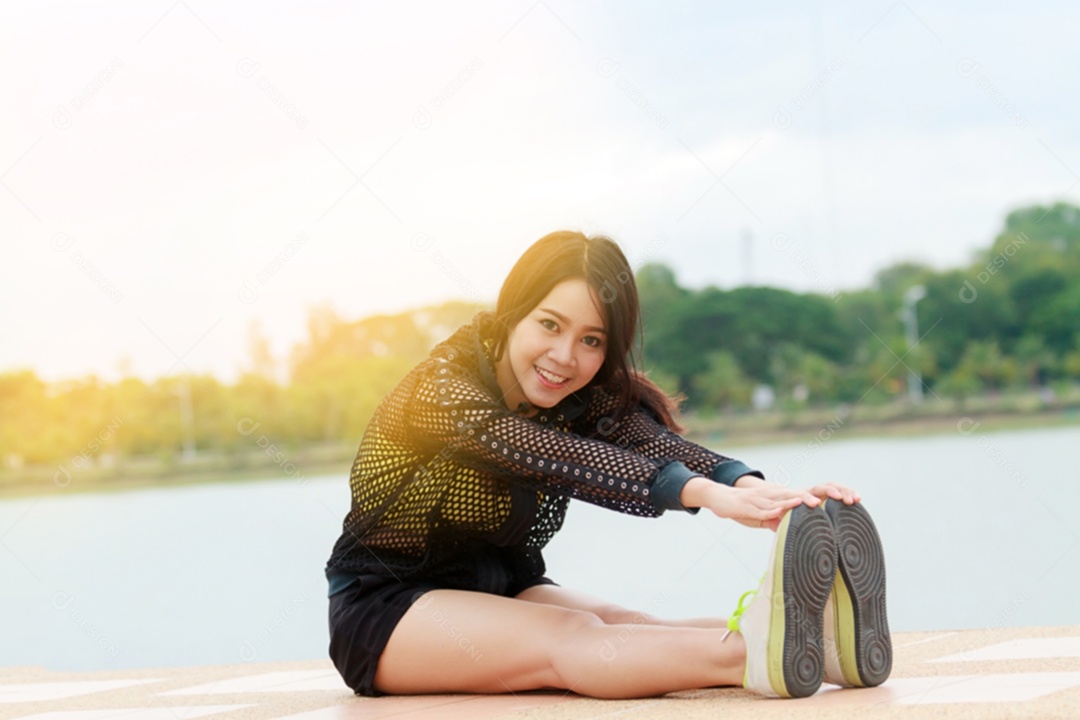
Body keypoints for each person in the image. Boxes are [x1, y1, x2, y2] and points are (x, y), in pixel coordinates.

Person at [324, 231, 891, 700]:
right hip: (386, 609)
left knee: (629, 624)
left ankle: (823, 646)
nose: (565, 357)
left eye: (591, 340)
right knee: (571, 635)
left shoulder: (576, 397)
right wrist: (703, 495)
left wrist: (749, 487)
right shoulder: (442, 391)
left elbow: (648, 441)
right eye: (549, 325)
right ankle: (761, 654)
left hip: (500, 590)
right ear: (513, 313)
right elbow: (548, 455)